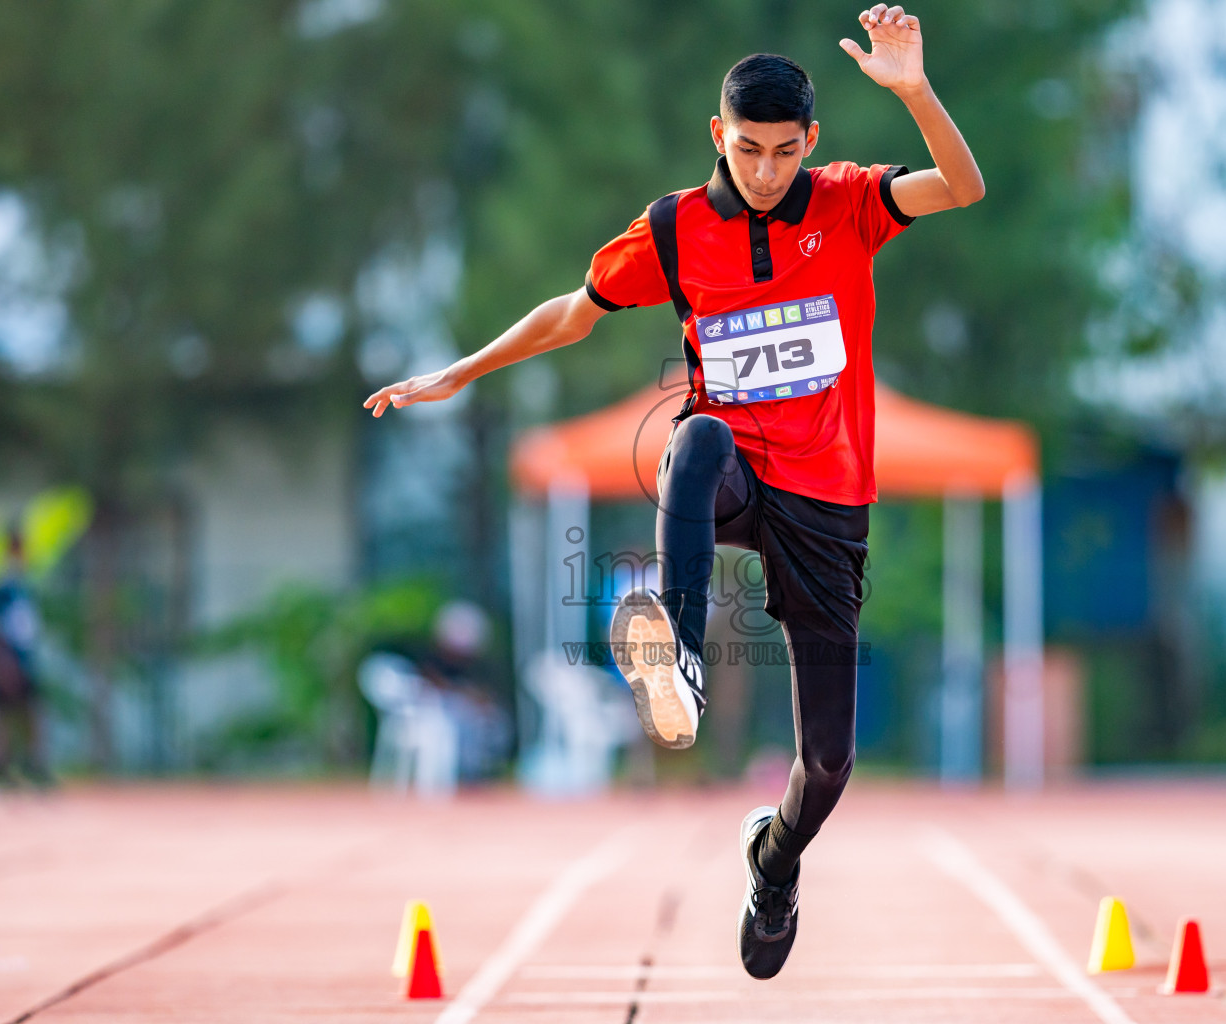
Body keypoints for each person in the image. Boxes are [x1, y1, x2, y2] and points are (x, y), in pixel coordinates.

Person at [365, 6, 983, 978]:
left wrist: (913, 93)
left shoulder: (849, 204)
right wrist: (459, 372)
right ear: (717, 136)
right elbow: (575, 310)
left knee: (827, 766)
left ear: (810, 142)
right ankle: (680, 655)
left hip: (827, 498)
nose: (768, 170)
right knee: (693, 440)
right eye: (748, 150)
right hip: (735, 467)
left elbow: (962, 184)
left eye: (785, 152)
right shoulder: (677, 229)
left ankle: (773, 865)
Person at [0, 528, 52, 788]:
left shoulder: (25, 586)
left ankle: (33, 766)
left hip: (24, 659)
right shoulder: (3, 588)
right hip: (8, 660)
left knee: (31, 713)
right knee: (3, 716)